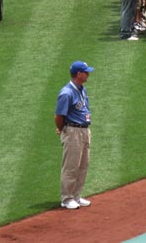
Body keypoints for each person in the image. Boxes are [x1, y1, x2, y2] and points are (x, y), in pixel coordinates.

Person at [54, 60, 94, 210]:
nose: (88, 74)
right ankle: (67, 198)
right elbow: (58, 116)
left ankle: (76, 195)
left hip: (84, 130)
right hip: (73, 132)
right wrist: (63, 128)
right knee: (71, 166)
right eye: (86, 72)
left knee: (83, 165)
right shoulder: (66, 93)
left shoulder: (81, 89)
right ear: (79, 74)